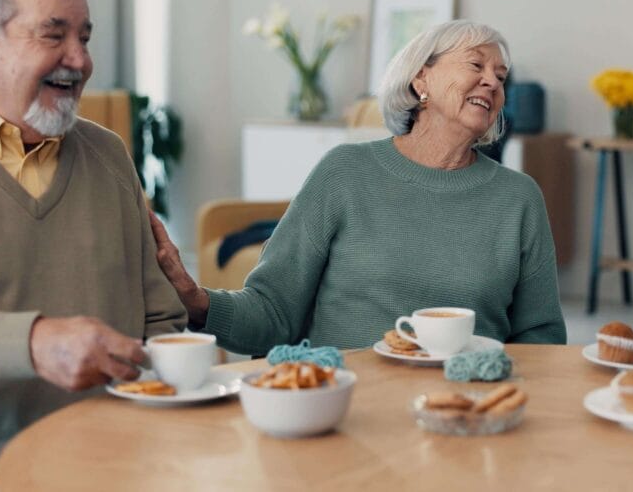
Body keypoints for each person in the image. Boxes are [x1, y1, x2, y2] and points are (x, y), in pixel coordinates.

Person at [0, 0, 185, 489]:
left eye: (84, 37)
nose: (78, 60)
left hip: (113, 446)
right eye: (53, 35)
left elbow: (161, 319)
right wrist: (32, 343)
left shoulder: (109, 153)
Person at [152, 19, 566, 354]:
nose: (493, 83)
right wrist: (198, 302)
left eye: (500, 76)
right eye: (476, 66)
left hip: (462, 410)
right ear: (421, 79)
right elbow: (274, 310)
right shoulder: (346, 172)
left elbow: (541, 337)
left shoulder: (518, 198)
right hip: (348, 406)